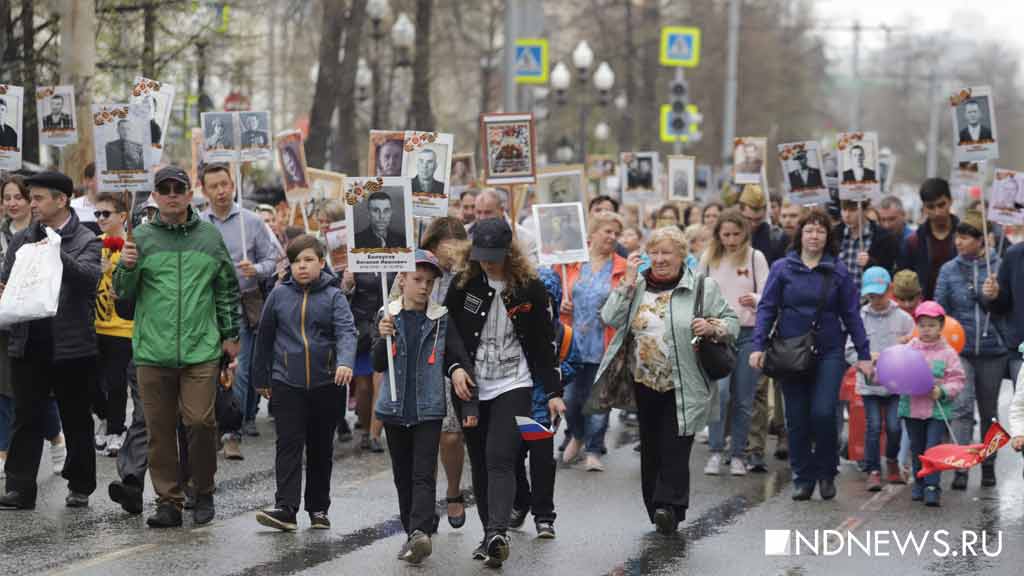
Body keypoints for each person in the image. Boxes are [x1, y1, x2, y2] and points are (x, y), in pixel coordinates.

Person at [112, 166, 241, 527]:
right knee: (159, 429)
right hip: (153, 350)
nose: (171, 194)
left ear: (189, 194)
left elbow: (227, 288)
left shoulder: (209, 237)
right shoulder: (141, 237)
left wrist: (231, 335)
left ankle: (202, 490)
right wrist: (125, 267)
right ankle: (169, 501)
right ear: (154, 195)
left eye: (178, 188)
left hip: (201, 349)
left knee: (200, 422)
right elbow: (123, 296)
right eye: (164, 188)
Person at [590, 226, 738, 533]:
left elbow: (732, 323)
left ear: (682, 255)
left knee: (675, 446)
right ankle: (656, 507)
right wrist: (628, 282)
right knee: (652, 447)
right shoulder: (637, 286)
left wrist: (713, 327)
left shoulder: (701, 286)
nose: (659, 259)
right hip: (643, 381)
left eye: (666, 252)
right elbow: (610, 317)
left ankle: (671, 506)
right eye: (654, 252)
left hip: (684, 382)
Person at [444, 218, 565, 568]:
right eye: (482, 256)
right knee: (480, 461)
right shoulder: (463, 285)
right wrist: (454, 371)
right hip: (472, 384)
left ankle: (498, 531)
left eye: (494, 256)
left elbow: (545, 343)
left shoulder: (530, 288)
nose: (488, 262)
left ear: (509, 251)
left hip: (515, 381)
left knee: (502, 456)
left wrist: (554, 390)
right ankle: (489, 536)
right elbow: (449, 338)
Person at [751, 208, 873, 501]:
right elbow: (767, 308)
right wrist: (758, 346)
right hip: (790, 351)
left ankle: (827, 471)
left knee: (822, 412)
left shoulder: (838, 270)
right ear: (800, 235)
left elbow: (852, 315)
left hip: (829, 351)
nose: (814, 236)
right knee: (796, 417)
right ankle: (802, 476)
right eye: (809, 230)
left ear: (827, 236)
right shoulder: (782, 268)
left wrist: (864, 354)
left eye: (820, 230)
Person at [0, 171, 101, 510]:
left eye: (40, 197)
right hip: (28, 341)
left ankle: (80, 485)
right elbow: (8, 281)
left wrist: (56, 250)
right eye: (33, 197)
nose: (33, 204)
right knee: (26, 416)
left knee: (75, 418)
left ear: (62, 200)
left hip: (72, 345)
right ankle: (19, 487)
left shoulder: (86, 239)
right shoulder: (22, 239)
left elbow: (89, 279)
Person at [373, 250, 472, 563]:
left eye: (429, 281)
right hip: (394, 407)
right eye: (417, 280)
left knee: (422, 474)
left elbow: (454, 353)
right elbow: (378, 362)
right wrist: (381, 337)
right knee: (403, 475)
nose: (424, 287)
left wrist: (456, 369)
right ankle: (411, 532)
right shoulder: (387, 314)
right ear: (401, 280)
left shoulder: (440, 317)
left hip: (428, 408)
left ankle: (420, 532)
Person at [252, 234, 356, 532]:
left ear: (321, 263)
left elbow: (347, 332)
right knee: (288, 444)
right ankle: (285, 508)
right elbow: (265, 337)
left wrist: (345, 362)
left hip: (327, 384)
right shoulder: (279, 295)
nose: (302, 266)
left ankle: (318, 508)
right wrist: (261, 377)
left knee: (321, 447)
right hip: (287, 383)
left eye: (308, 260)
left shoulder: (334, 296)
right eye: (296, 261)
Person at [200, 164, 282, 457]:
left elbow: (274, 260)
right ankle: (209, 426)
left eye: (225, 184)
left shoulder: (252, 221)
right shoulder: (198, 225)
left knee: (240, 367)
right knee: (208, 367)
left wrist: (256, 269)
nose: (221, 191)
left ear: (233, 185)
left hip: (243, 301)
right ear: (204, 190)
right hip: (207, 304)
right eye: (214, 186)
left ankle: (234, 428)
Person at [0, 175, 67, 484]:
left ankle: (55, 439)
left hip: (37, 324)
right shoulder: (6, 234)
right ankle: (5, 455)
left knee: (32, 394)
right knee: (6, 391)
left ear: (30, 202)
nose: (12, 203)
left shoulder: (44, 234)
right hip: (6, 318)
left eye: (19, 197)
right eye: (7, 197)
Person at [934, 210, 1006, 489]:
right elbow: (940, 308)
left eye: (965, 237)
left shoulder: (999, 266)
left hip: (993, 351)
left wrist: (995, 294)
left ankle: (989, 465)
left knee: (989, 411)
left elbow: (1008, 306)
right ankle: (962, 465)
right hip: (960, 351)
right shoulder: (949, 270)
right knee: (962, 408)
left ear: (981, 240)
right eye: (958, 236)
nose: (959, 242)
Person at [556, 210, 627, 471]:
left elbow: (625, 304)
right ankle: (577, 434)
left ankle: (594, 449)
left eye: (616, 233)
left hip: (604, 343)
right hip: (573, 343)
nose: (613, 237)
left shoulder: (620, 266)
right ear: (592, 234)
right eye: (607, 231)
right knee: (570, 398)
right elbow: (555, 291)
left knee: (599, 400)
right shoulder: (571, 262)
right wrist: (560, 302)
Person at [701, 209, 769, 476]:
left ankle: (739, 453)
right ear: (718, 234)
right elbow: (698, 292)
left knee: (744, 397)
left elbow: (768, 293)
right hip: (717, 334)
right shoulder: (709, 258)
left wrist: (756, 297)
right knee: (721, 394)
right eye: (725, 234)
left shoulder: (755, 257)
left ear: (744, 233)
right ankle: (716, 451)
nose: (731, 240)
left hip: (748, 332)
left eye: (736, 234)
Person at [511, 266, 573, 539]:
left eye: (549, 298)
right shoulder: (514, 325)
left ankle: (544, 516)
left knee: (542, 462)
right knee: (511, 458)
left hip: (542, 408)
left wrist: (560, 377)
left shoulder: (564, 332)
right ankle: (520, 500)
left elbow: (572, 360)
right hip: (514, 402)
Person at [418, 218, 471, 529]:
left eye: (458, 246)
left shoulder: (469, 275)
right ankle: (423, 508)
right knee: (424, 437)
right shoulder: (417, 270)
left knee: (451, 436)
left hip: (453, 360)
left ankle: (453, 490)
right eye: (446, 247)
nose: (452, 254)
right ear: (433, 247)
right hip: (420, 360)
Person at [846, 267, 914, 491]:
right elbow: (849, 350)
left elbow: (916, 345)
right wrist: (865, 359)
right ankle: (873, 469)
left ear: (890, 290)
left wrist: (907, 345)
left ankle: (892, 460)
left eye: (880, 294)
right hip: (870, 385)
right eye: (871, 295)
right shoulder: (859, 318)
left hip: (896, 385)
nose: (875, 300)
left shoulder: (903, 318)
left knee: (894, 427)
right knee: (873, 426)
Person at [900, 301, 965, 507]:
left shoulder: (948, 353)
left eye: (931, 325)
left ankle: (932, 486)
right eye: (922, 325)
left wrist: (943, 391)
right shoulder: (909, 348)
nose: (926, 330)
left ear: (940, 326)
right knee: (917, 448)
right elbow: (898, 370)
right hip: (912, 408)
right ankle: (919, 482)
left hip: (937, 411)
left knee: (932, 449)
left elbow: (958, 379)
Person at [92, 193, 134, 457]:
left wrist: (111, 270)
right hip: (93, 326)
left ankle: (116, 431)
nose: (100, 219)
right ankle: (105, 417)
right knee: (91, 382)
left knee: (117, 382)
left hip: (121, 327)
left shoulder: (131, 247)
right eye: (97, 214)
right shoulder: (93, 245)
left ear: (122, 216)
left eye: (106, 214)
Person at [898, 178, 959, 300]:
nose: (937, 212)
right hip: (924, 310)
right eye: (931, 207)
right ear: (924, 208)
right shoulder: (913, 241)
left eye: (941, 205)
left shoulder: (966, 236)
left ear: (950, 201)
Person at [836, 199, 900, 291]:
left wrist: (870, 263)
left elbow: (889, 273)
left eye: (853, 210)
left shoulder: (884, 238)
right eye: (844, 209)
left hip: (869, 298)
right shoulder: (835, 234)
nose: (847, 215)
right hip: (841, 297)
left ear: (865, 210)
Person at [71, 163, 101, 234]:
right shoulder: (72, 208)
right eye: (103, 177)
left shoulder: (118, 209)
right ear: (88, 181)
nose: (108, 181)